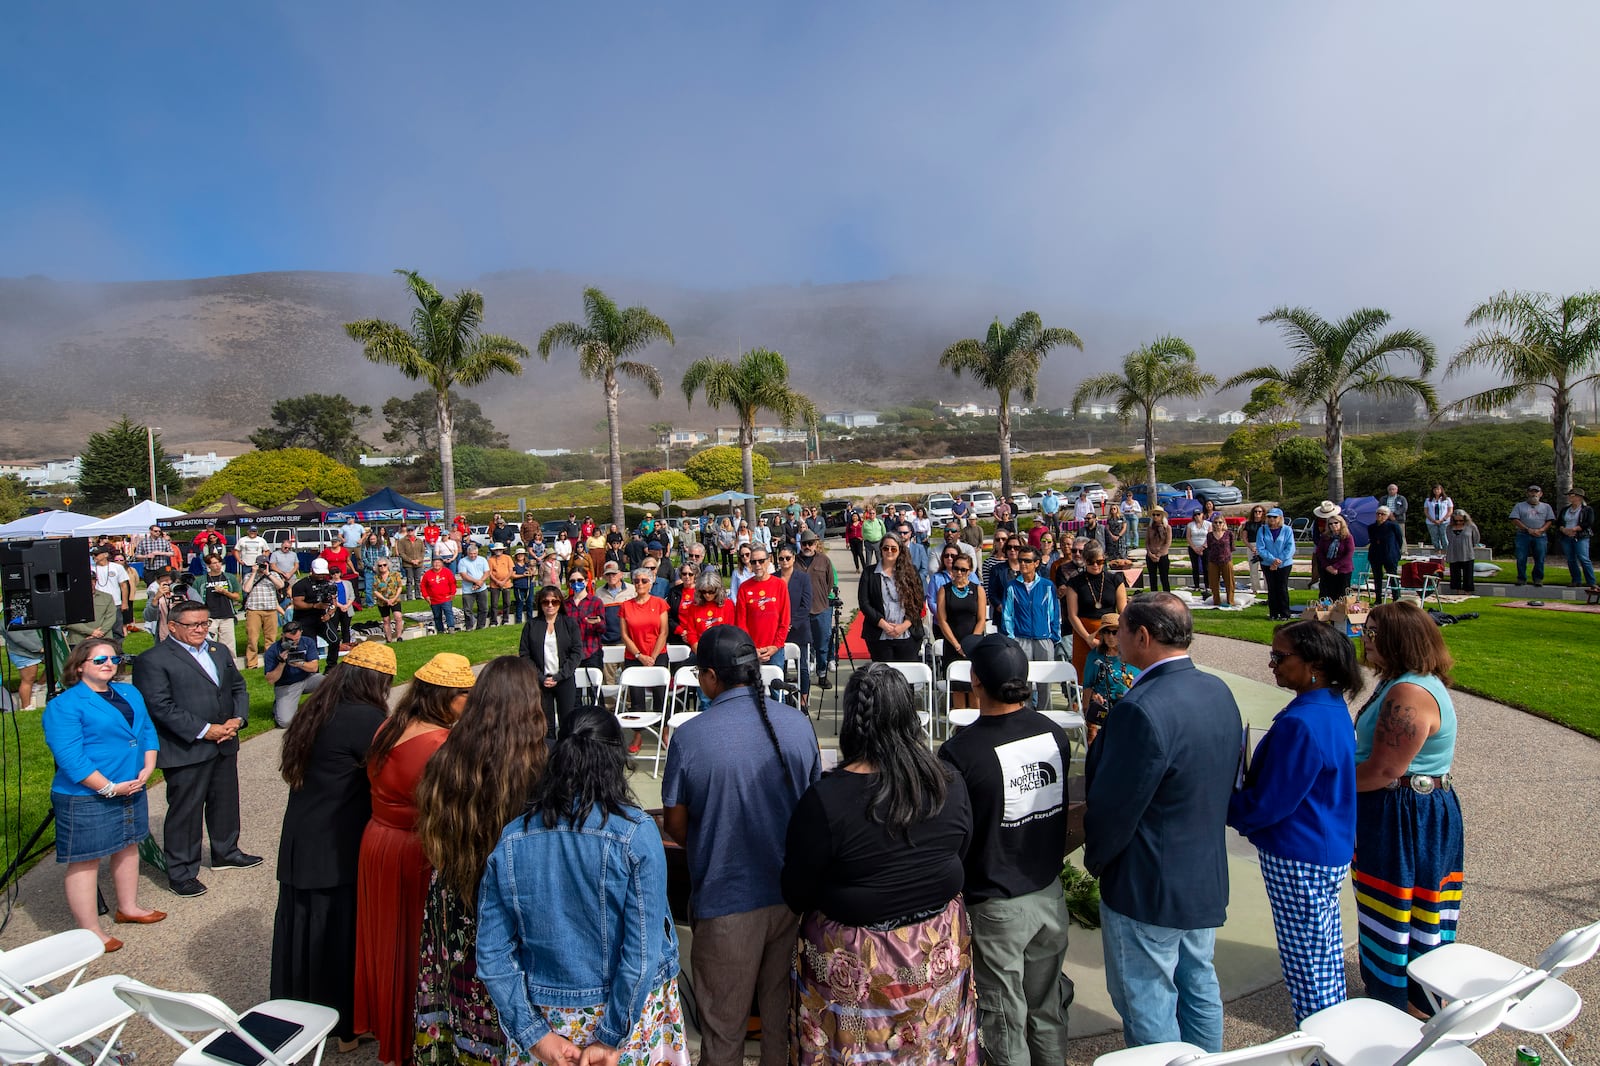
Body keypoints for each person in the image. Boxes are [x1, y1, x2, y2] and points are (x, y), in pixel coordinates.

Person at [782, 664, 978, 1065]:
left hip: (859, 973)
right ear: (910, 715)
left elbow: (796, 891)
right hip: (935, 966)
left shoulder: (826, 800)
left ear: (852, 719)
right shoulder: (949, 783)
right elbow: (961, 853)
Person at [478, 710, 690, 1066]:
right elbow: (642, 953)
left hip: (545, 1019)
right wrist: (609, 1037)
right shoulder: (635, 834)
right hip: (627, 1015)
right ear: (616, 760)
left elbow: (493, 953)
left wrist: (534, 1035)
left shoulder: (513, 838)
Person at [1084, 593, 1240, 1052]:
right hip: (1203, 872)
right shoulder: (1217, 688)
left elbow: (1116, 805)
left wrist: (1098, 860)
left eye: (1123, 631)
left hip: (1148, 881)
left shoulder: (1139, 707)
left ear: (1143, 637)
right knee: (1198, 984)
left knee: (1148, 996)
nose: (1115, 639)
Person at [661, 626, 821, 1066]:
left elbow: (675, 821)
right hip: (788, 901)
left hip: (724, 901)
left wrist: (712, 838)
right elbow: (814, 808)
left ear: (711, 676)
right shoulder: (797, 725)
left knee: (723, 1032)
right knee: (780, 1022)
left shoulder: (691, 737)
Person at [937, 635, 1072, 1066]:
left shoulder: (961, 751)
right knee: (1046, 1007)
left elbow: (952, 834)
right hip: (1048, 891)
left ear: (975, 681)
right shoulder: (1054, 734)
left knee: (1003, 1017)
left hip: (996, 905)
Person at [414, 658, 550, 1066]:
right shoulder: (538, 768)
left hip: (454, 895)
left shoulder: (446, 757)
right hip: (511, 908)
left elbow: (431, 834)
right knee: (504, 1000)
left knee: (460, 994)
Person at [1226, 620, 1360, 1024]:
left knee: (1307, 966)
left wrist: (1224, 807)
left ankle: (1322, 1042)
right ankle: (1329, 1034)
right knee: (1321, 951)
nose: (1272, 665)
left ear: (1315, 662)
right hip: (1321, 844)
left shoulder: (1304, 722)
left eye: (1280, 657)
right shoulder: (1327, 705)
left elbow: (1272, 802)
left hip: (1300, 852)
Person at [270, 641, 397, 1050]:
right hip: (337, 839)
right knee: (336, 936)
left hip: (304, 836)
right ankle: (346, 1027)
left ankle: (298, 1015)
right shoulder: (366, 717)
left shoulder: (318, 707)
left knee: (304, 934)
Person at [354, 652, 473, 1066]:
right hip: (412, 851)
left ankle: (389, 1026)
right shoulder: (439, 745)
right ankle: (410, 1035)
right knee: (414, 949)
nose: (469, 703)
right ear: (445, 696)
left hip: (377, 843)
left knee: (387, 939)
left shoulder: (390, 725)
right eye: (464, 696)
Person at [1351, 600, 1463, 1014]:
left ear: (1400, 640)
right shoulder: (1401, 682)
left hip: (1404, 813)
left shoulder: (1410, 693)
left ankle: (1404, 1007)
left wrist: (1323, 790)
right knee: (1410, 908)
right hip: (1406, 808)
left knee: (1402, 908)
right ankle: (1408, 998)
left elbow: (1383, 770)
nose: (1365, 637)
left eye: (1374, 632)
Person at [131, 599, 258, 898]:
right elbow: (160, 706)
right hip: (186, 747)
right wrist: (205, 730)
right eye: (193, 625)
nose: (201, 629)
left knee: (225, 801)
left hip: (225, 740)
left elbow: (237, 687)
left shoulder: (218, 651)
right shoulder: (153, 659)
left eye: (205, 623)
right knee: (186, 810)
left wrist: (237, 719)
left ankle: (226, 851)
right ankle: (181, 872)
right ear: (172, 626)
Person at [42, 639, 164, 950]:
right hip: (86, 795)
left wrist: (149, 765)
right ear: (79, 665)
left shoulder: (129, 692)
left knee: (128, 845)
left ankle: (129, 908)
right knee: (86, 861)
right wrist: (107, 787)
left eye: (112, 658)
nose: (108, 664)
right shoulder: (65, 705)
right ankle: (90, 932)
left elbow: (147, 730)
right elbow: (70, 757)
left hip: (131, 786)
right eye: (99, 660)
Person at [1000, 545, 1060, 710]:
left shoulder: (1047, 586)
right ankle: (1025, 714)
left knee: (1044, 683)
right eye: (1020, 560)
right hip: (1021, 639)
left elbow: (1054, 613)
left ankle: (1044, 713)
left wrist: (1053, 637)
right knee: (1023, 680)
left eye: (1027, 560)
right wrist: (1012, 639)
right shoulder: (1012, 586)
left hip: (1043, 639)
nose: (1023, 564)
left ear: (1036, 563)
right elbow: (1007, 615)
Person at [519, 585, 581, 740]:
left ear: (560, 603)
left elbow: (576, 652)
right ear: (540, 604)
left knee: (567, 722)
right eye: (545, 602)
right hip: (540, 681)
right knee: (545, 725)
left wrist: (560, 676)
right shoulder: (532, 625)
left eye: (555, 601)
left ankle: (566, 756)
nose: (550, 605)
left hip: (564, 680)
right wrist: (540, 677)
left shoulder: (569, 623)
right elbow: (525, 655)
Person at [1064, 543, 1127, 684]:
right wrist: (1088, 638)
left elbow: (1123, 611)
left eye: (1099, 562)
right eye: (1091, 562)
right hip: (1083, 631)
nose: (1095, 565)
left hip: (1110, 630)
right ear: (1085, 561)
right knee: (1084, 675)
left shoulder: (1115, 580)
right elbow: (1072, 615)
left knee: (1113, 673)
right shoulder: (1075, 582)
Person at [857, 535, 926, 662]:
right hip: (879, 636)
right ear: (881, 550)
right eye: (886, 548)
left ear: (900, 550)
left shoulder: (911, 571)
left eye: (893, 549)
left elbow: (918, 601)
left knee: (906, 678)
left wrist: (904, 625)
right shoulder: (869, 573)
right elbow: (864, 603)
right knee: (883, 678)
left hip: (907, 634)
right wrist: (884, 625)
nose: (889, 551)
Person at [935, 552, 986, 710]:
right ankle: (960, 729)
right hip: (953, 645)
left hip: (974, 646)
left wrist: (970, 644)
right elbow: (942, 620)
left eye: (963, 570)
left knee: (974, 688)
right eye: (956, 568)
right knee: (957, 689)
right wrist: (957, 645)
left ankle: (976, 728)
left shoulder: (978, 590)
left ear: (969, 571)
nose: (959, 572)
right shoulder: (945, 590)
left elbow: (981, 619)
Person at [734, 546, 791, 676]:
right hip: (751, 651)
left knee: (776, 691)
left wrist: (776, 646)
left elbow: (785, 619)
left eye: (761, 561)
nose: (757, 565)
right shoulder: (744, 588)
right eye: (753, 562)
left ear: (768, 560)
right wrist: (751, 648)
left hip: (775, 649)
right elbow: (741, 623)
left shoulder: (780, 585)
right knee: (751, 691)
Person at [1082, 614, 1136, 744]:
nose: (1110, 636)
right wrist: (1086, 708)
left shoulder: (1133, 655)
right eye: (1106, 632)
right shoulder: (1094, 656)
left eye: (1114, 632)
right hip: (1102, 710)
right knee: (1094, 737)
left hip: (1129, 708)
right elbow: (1087, 685)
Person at [263, 620, 326, 728]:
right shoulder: (273, 650)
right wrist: (281, 663)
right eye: (288, 640)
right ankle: (278, 706)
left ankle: (324, 707)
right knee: (285, 722)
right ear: (282, 635)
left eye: (296, 640)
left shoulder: (307, 642)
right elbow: (270, 680)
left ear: (301, 633)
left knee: (331, 681)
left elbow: (314, 667)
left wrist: (299, 663)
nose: (293, 643)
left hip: (307, 678)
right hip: (287, 685)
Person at [796, 530, 837, 690]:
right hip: (800, 611)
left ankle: (822, 674)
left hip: (822, 608)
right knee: (802, 644)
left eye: (810, 543)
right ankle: (804, 675)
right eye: (804, 543)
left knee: (822, 643)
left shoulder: (824, 560)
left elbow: (830, 583)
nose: (807, 546)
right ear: (800, 545)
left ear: (816, 544)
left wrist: (821, 597)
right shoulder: (794, 561)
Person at [776, 547, 814, 708]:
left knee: (802, 666)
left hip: (798, 628)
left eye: (787, 558)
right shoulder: (773, 578)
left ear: (793, 559)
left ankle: (804, 698)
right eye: (781, 558)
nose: (784, 561)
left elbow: (806, 605)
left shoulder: (803, 578)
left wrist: (790, 623)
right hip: (778, 630)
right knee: (779, 666)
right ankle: (781, 699)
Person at [241, 558, 288, 669]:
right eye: (261, 564)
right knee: (252, 638)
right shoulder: (249, 576)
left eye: (265, 564)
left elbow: (281, 585)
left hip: (270, 609)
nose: (262, 566)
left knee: (270, 638)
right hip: (254, 609)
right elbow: (246, 589)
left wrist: (267, 573)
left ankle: (270, 661)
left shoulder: (273, 575)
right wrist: (253, 573)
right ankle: (252, 663)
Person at [197, 555, 242, 663]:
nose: (217, 565)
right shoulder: (202, 580)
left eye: (219, 562)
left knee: (229, 645)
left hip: (227, 615)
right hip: (210, 617)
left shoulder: (229, 578)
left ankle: (231, 666)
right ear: (208, 565)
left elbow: (237, 596)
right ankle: (210, 665)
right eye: (214, 563)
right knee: (209, 644)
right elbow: (196, 599)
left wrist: (225, 592)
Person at [1511, 483, 1556, 586]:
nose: (1534, 494)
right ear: (1527, 493)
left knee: (1540, 558)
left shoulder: (1546, 506)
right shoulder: (1519, 505)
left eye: (1536, 492)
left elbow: (1550, 520)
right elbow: (1514, 519)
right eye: (1531, 492)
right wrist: (1528, 529)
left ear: (1541, 494)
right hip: (1523, 535)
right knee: (1521, 557)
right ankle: (1521, 578)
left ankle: (1538, 579)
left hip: (1540, 536)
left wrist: (1541, 530)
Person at [1256, 508, 1296, 621]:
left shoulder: (1287, 530)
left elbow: (1290, 548)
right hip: (1267, 563)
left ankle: (1284, 613)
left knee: (1282, 588)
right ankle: (1273, 613)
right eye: (1269, 517)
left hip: (1284, 564)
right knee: (1272, 588)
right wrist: (1272, 560)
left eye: (1274, 517)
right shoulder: (1262, 530)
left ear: (1280, 518)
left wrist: (1279, 560)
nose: (1271, 519)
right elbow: (1261, 547)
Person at [1312, 509, 1355, 601]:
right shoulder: (1325, 537)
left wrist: (1335, 567)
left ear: (1341, 523)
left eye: (1335, 523)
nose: (1333, 525)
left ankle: (1340, 614)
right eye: (1330, 524)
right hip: (1326, 569)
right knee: (1326, 594)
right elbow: (1319, 552)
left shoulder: (1347, 537)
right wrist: (1327, 566)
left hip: (1343, 570)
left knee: (1342, 595)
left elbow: (1349, 554)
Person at [1367, 504, 1404, 603]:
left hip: (1389, 554)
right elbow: (1372, 539)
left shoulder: (1393, 526)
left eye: (1382, 514)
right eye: (1378, 514)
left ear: (1387, 515)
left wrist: (1396, 550)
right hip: (1375, 554)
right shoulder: (1371, 527)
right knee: (1377, 577)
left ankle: (1396, 598)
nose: (1380, 516)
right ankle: (1378, 598)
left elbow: (1399, 539)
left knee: (1392, 576)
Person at [1560, 487, 1596, 589]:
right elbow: (1559, 522)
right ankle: (1576, 580)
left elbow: (1588, 523)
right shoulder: (1565, 510)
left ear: (1579, 497)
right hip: (1566, 537)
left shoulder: (1587, 509)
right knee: (1571, 559)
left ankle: (1591, 582)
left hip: (1581, 537)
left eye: (1572, 495)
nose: (1570, 497)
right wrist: (1563, 529)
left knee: (1584, 558)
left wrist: (1574, 529)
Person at [420, 556, 459, 635]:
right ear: (432, 564)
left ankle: (451, 627)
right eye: (435, 562)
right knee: (437, 616)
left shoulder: (447, 572)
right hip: (434, 599)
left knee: (448, 613)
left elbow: (452, 583)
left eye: (438, 562)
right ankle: (440, 630)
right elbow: (423, 586)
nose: (436, 564)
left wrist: (452, 593)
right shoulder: (427, 574)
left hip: (446, 598)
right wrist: (426, 596)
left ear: (442, 563)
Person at [457, 542, 490, 631]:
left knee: (483, 608)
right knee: (467, 610)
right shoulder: (463, 561)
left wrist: (481, 582)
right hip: (468, 590)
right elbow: (464, 575)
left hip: (482, 588)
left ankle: (481, 626)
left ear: (477, 553)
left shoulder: (482, 560)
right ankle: (469, 627)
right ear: (467, 553)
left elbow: (487, 572)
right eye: (471, 554)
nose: (473, 556)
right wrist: (477, 582)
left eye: (474, 554)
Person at [1445, 510, 1481, 593]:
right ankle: (1457, 591)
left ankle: (1467, 591)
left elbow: (1476, 538)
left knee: (1468, 574)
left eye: (1461, 521)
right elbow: (1449, 538)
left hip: (1467, 553)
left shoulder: (1471, 526)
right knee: (1455, 574)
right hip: (1454, 553)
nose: (1458, 523)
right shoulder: (1449, 528)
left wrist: (1471, 545)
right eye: (1456, 521)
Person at [372, 557, 407, 642]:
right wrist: (385, 600)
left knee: (398, 617)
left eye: (384, 565)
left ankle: (399, 636)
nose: (382, 567)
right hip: (382, 602)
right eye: (380, 566)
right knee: (386, 620)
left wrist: (394, 598)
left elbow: (399, 587)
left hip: (394, 599)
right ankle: (389, 638)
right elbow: (375, 591)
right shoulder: (376, 578)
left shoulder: (395, 575)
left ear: (388, 565)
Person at [1145, 507, 1173, 593]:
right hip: (1151, 555)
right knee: (1152, 578)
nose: (1155, 517)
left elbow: (1168, 543)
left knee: (1164, 577)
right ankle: (1154, 596)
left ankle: (1167, 596)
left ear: (1162, 516)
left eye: (1158, 515)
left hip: (1163, 555)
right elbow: (1147, 542)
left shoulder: (1167, 528)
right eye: (1153, 515)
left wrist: (1159, 554)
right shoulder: (1150, 528)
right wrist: (1150, 553)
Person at [485, 542, 514, 625]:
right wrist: (497, 581)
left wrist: (504, 581)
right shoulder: (491, 559)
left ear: (502, 550)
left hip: (506, 583)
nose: (498, 551)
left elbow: (511, 570)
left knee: (507, 602)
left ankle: (505, 620)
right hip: (494, 584)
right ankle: (493, 621)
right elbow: (489, 572)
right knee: (494, 603)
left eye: (500, 550)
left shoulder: (507, 558)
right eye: (497, 550)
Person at [1241, 505, 1267, 595]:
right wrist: (1251, 547)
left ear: (1263, 513)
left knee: (1265, 568)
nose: (1257, 513)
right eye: (1256, 511)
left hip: (1264, 547)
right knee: (1253, 569)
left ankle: (1267, 589)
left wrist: (1261, 548)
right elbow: (1244, 538)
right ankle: (1255, 589)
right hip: (1251, 546)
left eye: (1259, 511)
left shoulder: (1265, 524)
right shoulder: (1248, 524)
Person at [1184, 504, 1211, 590]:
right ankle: (1196, 585)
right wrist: (1194, 548)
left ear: (1202, 514)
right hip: (1193, 547)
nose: (1197, 516)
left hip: (1205, 547)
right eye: (1195, 515)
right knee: (1195, 567)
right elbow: (1188, 537)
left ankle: (1208, 585)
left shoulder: (1208, 524)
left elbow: (1209, 536)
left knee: (1206, 567)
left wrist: (1203, 547)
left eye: (1198, 514)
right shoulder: (1190, 525)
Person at [1423, 484, 1453, 552]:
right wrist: (1432, 520)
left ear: (1441, 490)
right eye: (1435, 489)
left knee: (1444, 536)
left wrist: (1443, 519)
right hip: (1431, 522)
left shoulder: (1447, 499)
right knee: (1434, 537)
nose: (1437, 491)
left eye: (1438, 489)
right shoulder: (1428, 500)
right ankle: (1437, 550)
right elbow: (1426, 511)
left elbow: (1450, 511)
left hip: (1444, 522)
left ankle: (1446, 551)